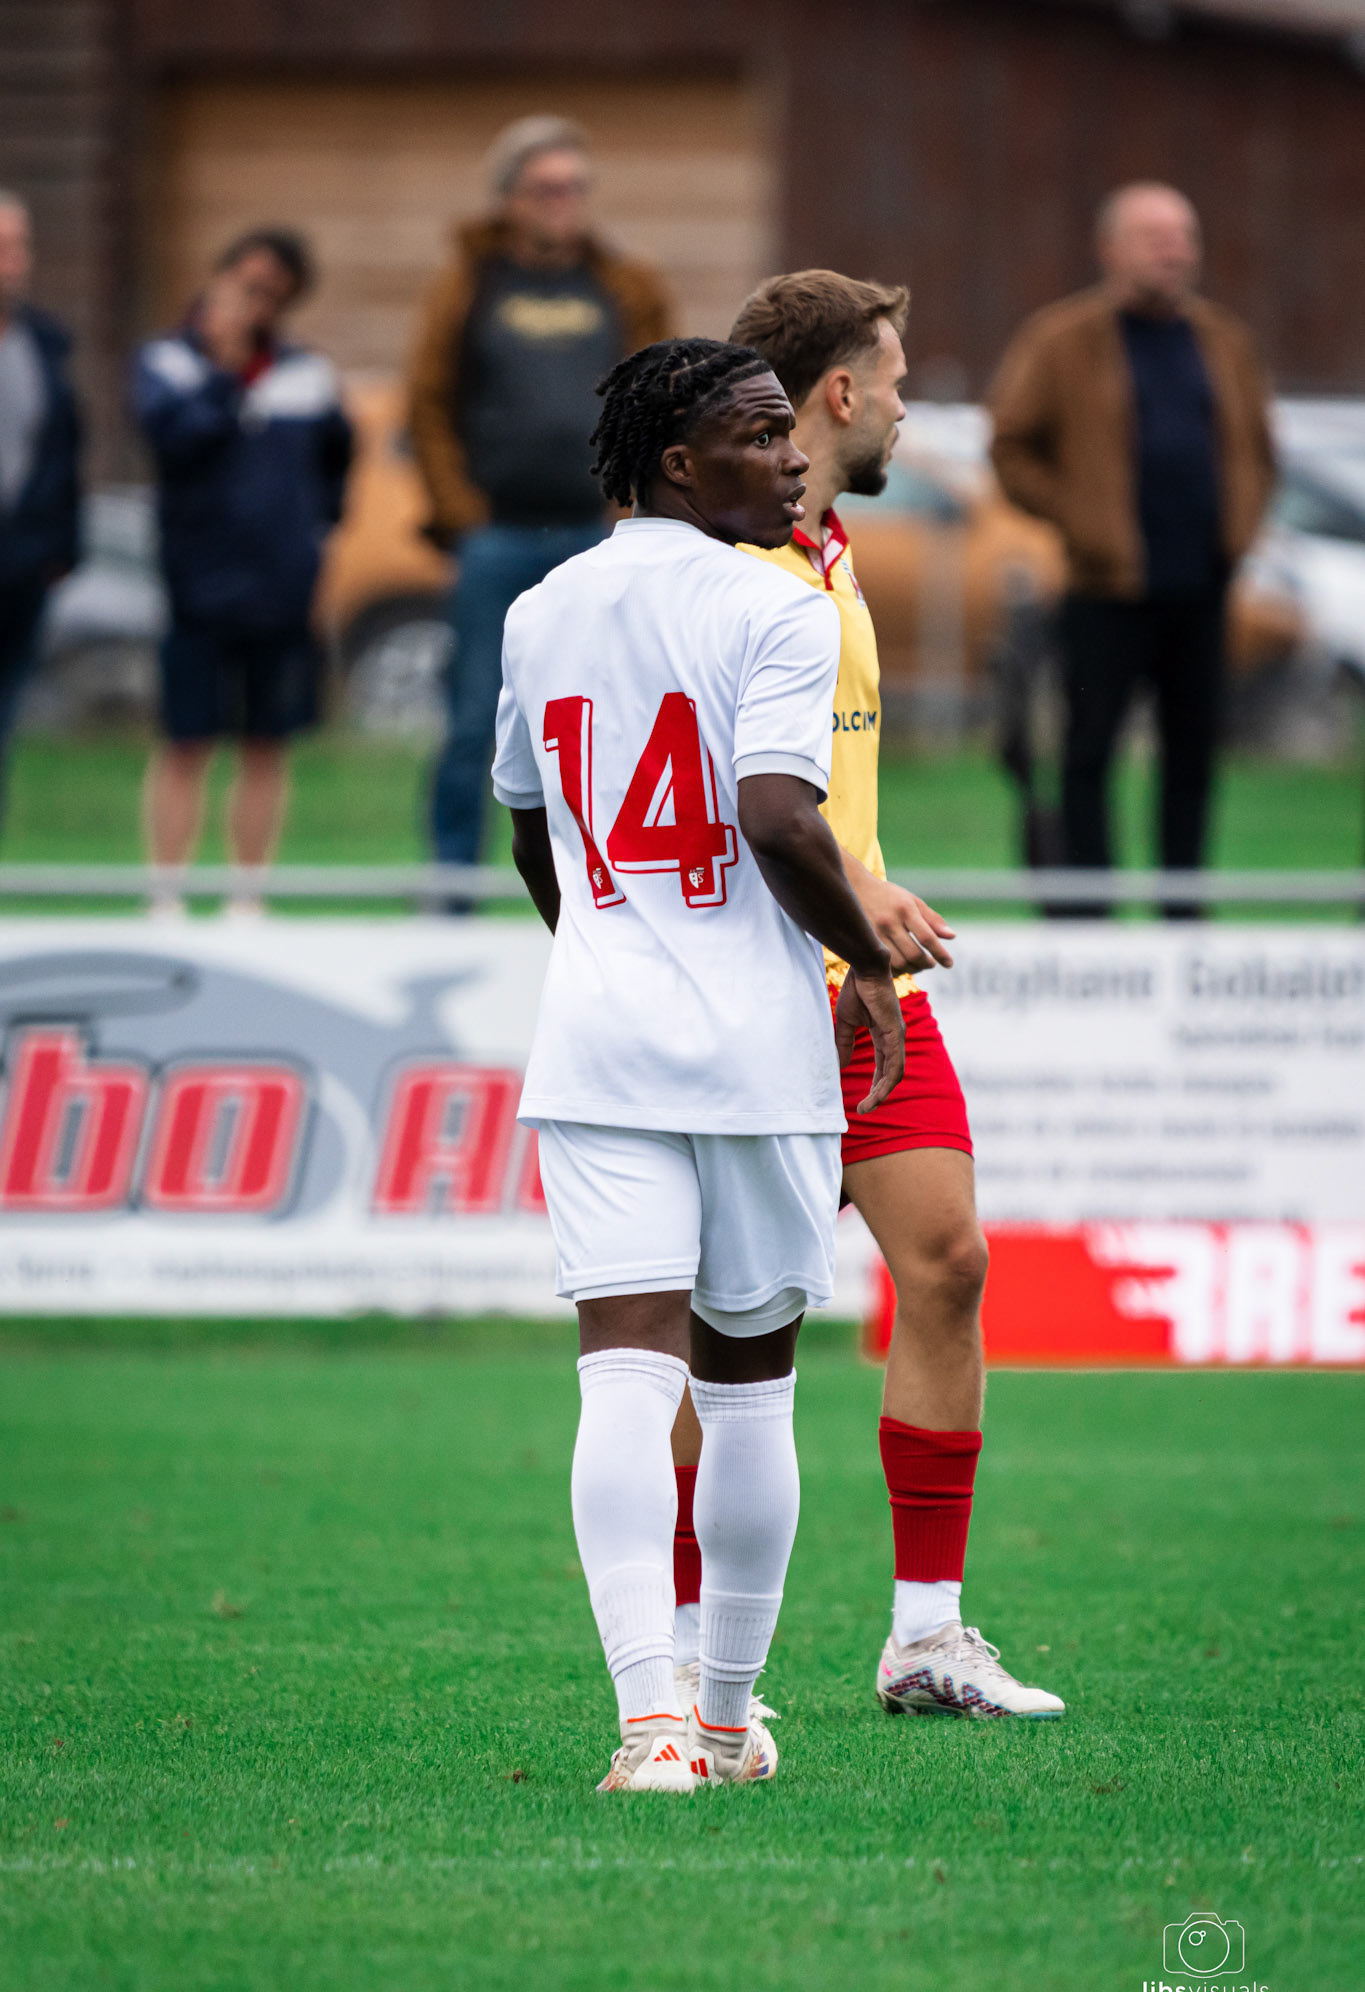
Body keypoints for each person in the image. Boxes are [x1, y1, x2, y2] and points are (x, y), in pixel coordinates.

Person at [491, 336, 905, 1791]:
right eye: (762, 432)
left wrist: (608, 944)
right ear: (679, 461)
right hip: (752, 1049)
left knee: (618, 1381)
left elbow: (535, 832)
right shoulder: (771, 604)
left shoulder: (540, 611)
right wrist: (863, 958)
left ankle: (649, 1727)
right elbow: (782, 819)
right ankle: (724, 1718)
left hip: (597, 1042)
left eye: (793, 433)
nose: (793, 457)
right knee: (746, 1392)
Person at [654, 269, 1059, 1721]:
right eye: (891, 380)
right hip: (753, 991)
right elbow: (715, 804)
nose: (901, 406)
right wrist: (846, 895)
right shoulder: (707, 571)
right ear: (839, 393)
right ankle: (697, 1663)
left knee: (947, 1264)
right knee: (730, 1333)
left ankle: (928, 1637)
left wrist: (870, 913)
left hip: (866, 985)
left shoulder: (825, 555)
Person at [989, 183, 1275, 912]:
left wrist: (1239, 528)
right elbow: (1011, 448)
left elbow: (1259, 451)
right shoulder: (1062, 340)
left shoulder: (1222, 340)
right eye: (1155, 236)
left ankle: (1183, 920)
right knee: (1087, 758)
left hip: (1201, 589)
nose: (1173, 251)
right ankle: (1088, 922)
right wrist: (1077, 518)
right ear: (1110, 248)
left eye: (1183, 237)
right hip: (1103, 590)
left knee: (1193, 762)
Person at [408, 115, 673, 874]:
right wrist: (461, 522)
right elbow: (426, 406)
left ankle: (606, 885)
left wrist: (634, 514)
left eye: (575, 188)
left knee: (612, 721)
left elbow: (662, 400)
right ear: (508, 200)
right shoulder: (466, 285)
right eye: (546, 189)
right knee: (469, 723)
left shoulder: (626, 284)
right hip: (495, 540)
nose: (564, 202)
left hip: (598, 541)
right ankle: (449, 890)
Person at [131, 227, 353, 910]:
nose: (256, 303)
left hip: (280, 592)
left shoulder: (305, 373)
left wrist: (308, 540)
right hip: (197, 589)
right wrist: (225, 374)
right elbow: (174, 445)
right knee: (186, 740)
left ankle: (247, 896)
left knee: (266, 744)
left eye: (273, 292)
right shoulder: (168, 364)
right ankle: (165, 894)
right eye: (247, 285)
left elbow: (336, 464)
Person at [0, 190, 81, 828]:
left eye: (18, 246)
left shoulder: (42, 346)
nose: (13, 259)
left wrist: (60, 547)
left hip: (20, 562)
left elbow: (63, 450)